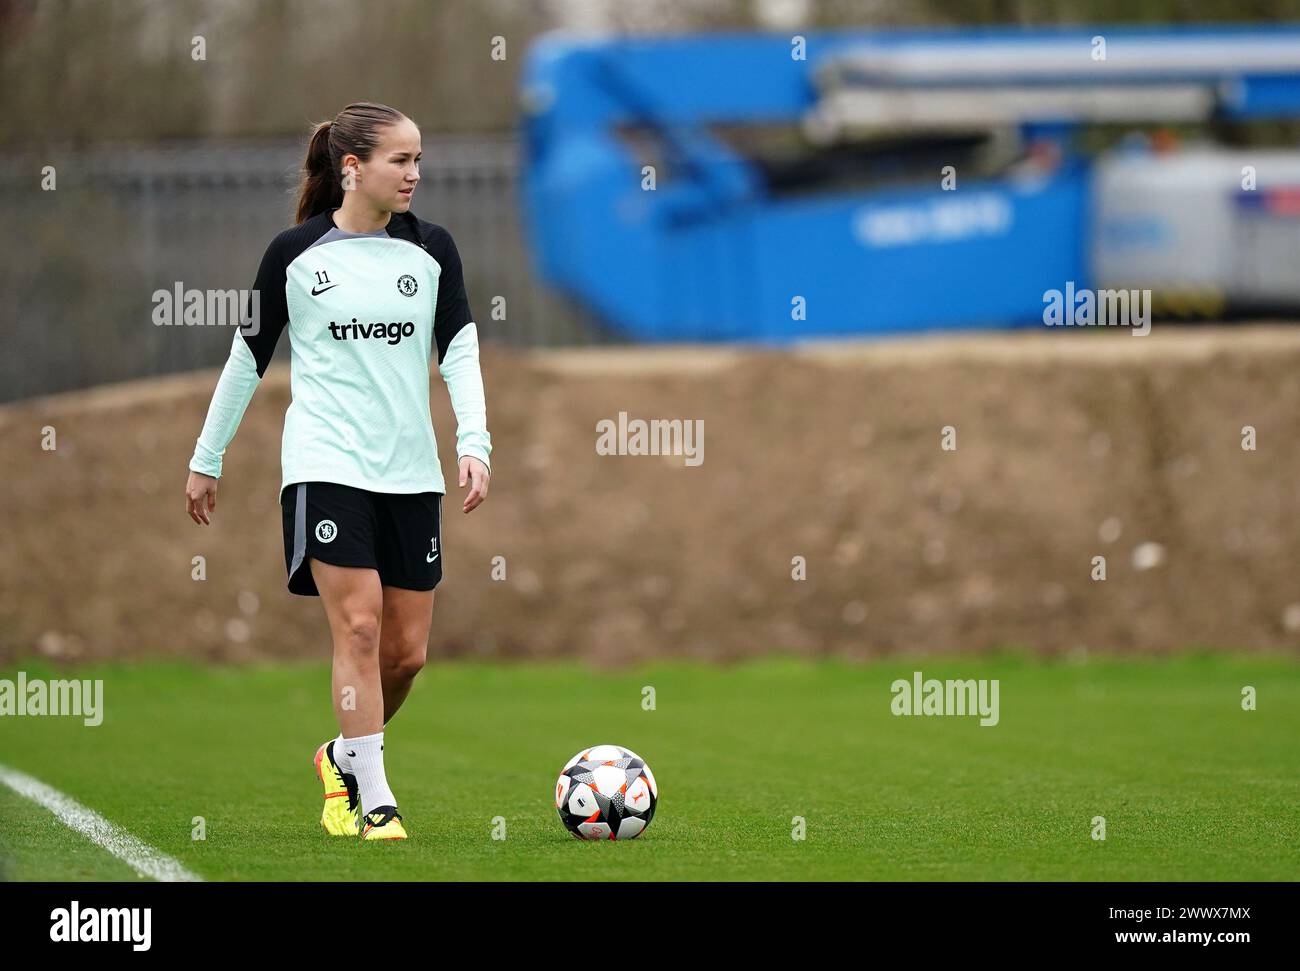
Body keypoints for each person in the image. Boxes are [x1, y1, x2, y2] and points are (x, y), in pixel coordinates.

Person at [184, 102, 492, 841]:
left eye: (420, 160)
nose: (415, 174)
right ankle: (376, 797)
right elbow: (245, 358)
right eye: (401, 160)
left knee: (406, 653)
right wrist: (206, 455)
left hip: (411, 471)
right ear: (352, 168)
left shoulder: (434, 250)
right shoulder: (293, 255)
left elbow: (460, 352)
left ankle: (343, 754)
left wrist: (474, 441)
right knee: (358, 626)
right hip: (326, 464)